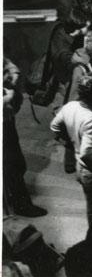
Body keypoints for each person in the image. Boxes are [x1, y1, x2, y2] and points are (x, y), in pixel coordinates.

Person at [50, 72, 92, 224]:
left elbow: (54, 127)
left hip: (81, 168)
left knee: (91, 206)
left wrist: (71, 142)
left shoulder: (70, 106)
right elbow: (87, 153)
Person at [3, 57, 48, 217]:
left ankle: (15, 199)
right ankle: (20, 205)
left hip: (6, 118)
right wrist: (6, 99)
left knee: (16, 163)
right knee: (12, 163)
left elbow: (9, 65)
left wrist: (12, 75)